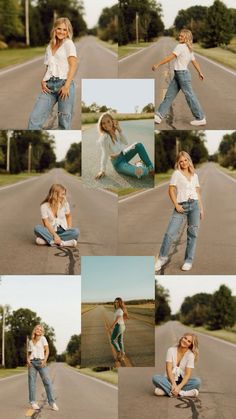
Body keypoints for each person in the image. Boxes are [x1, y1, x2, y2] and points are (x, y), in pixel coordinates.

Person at [155, 151, 203, 272]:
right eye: (181, 161)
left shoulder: (195, 176)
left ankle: (188, 260)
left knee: (193, 234)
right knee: (170, 233)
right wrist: (176, 205)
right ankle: (162, 258)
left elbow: (198, 193)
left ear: (189, 160)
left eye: (185, 160)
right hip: (181, 206)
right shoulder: (176, 174)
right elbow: (170, 190)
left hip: (195, 206)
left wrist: (201, 208)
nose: (184, 163)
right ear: (178, 163)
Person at [28, 17, 78, 130]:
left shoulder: (69, 44)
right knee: (34, 118)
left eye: (65, 30)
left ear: (68, 31)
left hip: (64, 85)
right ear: (54, 29)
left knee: (64, 122)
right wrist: (43, 80)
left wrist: (66, 86)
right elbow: (48, 67)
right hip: (49, 87)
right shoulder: (49, 47)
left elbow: (73, 65)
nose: (61, 32)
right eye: (59, 28)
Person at [152, 29, 206, 126]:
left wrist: (157, 64)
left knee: (190, 96)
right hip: (179, 75)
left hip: (182, 75)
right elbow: (194, 61)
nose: (179, 37)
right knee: (169, 95)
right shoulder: (189, 48)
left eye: (181, 36)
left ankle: (200, 117)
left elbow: (170, 57)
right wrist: (200, 72)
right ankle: (158, 116)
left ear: (186, 38)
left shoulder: (180, 47)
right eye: (179, 35)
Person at [95, 113, 154, 180]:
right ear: (101, 125)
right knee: (142, 172)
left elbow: (126, 142)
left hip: (124, 155)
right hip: (118, 163)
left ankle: (151, 167)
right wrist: (102, 170)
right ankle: (139, 164)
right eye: (103, 123)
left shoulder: (115, 132)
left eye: (108, 121)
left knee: (138, 145)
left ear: (112, 121)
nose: (106, 125)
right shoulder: (104, 138)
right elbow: (104, 154)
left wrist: (119, 129)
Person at [152, 333, 201, 398]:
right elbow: (168, 369)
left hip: (182, 383)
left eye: (189, 341)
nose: (185, 341)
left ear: (191, 345)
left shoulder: (190, 355)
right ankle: (183, 393)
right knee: (155, 378)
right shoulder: (171, 350)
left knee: (197, 381)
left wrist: (179, 387)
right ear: (182, 338)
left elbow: (187, 375)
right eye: (185, 338)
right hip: (169, 380)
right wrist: (174, 385)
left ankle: (168, 391)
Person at [27, 324, 59, 411]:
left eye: (40, 330)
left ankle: (52, 403)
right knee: (31, 383)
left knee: (47, 382)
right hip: (32, 363)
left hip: (41, 362)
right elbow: (29, 352)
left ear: (42, 332)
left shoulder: (43, 339)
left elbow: (47, 350)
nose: (39, 330)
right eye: (37, 329)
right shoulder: (30, 341)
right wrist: (28, 359)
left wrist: (44, 360)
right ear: (35, 330)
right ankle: (33, 402)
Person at [110, 297, 128, 362]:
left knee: (112, 340)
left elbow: (118, 318)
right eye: (115, 302)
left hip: (119, 326)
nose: (116, 303)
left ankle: (118, 352)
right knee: (120, 341)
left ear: (120, 302)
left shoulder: (120, 310)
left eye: (117, 302)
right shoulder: (117, 310)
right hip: (121, 326)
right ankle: (122, 354)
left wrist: (112, 326)